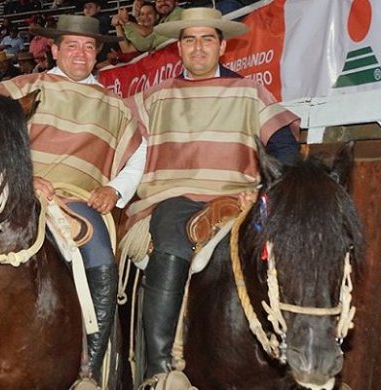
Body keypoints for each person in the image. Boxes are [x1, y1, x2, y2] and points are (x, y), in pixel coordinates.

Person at [0, 15, 145, 390]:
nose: (79, 53)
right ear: (53, 49)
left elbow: (139, 155)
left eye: (87, 47)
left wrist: (115, 190)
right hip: (21, 190)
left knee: (99, 253)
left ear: (97, 52)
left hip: (80, 200)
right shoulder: (26, 86)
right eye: (70, 45)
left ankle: (90, 372)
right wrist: (26, 177)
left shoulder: (115, 104)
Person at [123, 7, 300, 386]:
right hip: (174, 195)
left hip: (240, 198)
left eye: (207, 39)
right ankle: (159, 370)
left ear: (222, 46)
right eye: (190, 40)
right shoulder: (156, 96)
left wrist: (268, 192)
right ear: (179, 48)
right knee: (169, 246)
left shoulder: (249, 91)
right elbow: (129, 147)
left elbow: (284, 146)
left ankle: (306, 354)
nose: (198, 48)